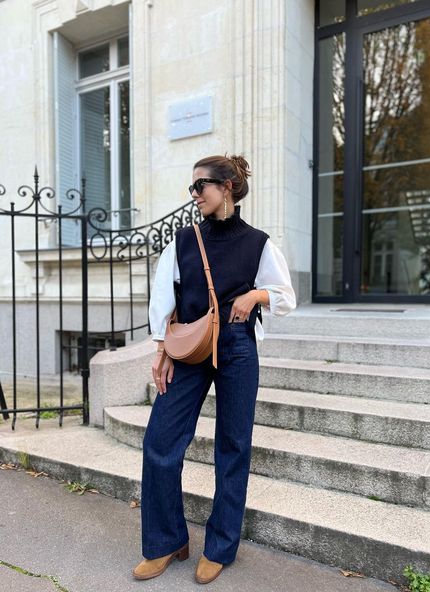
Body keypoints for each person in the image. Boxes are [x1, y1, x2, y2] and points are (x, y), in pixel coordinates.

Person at [132, 154, 296, 584]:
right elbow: (163, 297)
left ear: (226, 187)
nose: (194, 195)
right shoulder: (184, 240)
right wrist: (160, 349)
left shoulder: (258, 243)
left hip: (237, 347)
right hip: (189, 347)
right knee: (161, 442)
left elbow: (285, 295)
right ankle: (166, 541)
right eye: (192, 188)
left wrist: (254, 296)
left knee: (233, 446)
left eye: (199, 186)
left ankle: (221, 546)